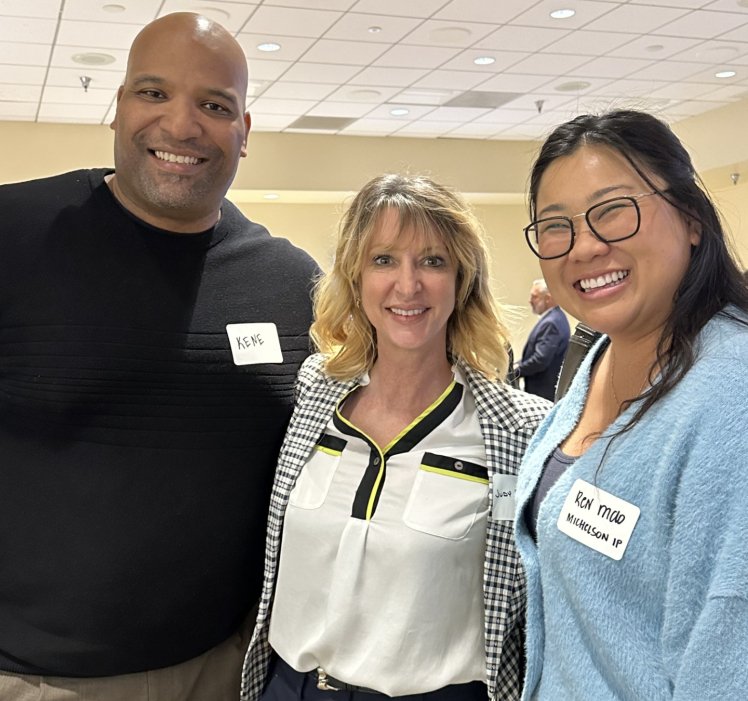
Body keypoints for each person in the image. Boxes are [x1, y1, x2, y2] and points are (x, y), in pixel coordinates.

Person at [0, 13, 319, 701]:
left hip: (223, 669)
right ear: (117, 108)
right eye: (153, 93)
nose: (181, 126)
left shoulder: (292, 284)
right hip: (33, 677)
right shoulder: (13, 235)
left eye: (214, 105)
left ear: (243, 131)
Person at [240, 174, 551, 701]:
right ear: (355, 277)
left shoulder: (517, 429)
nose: (407, 286)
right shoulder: (315, 394)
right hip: (291, 687)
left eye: (433, 261)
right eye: (383, 260)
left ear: (462, 279)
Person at [514, 109, 748, 700]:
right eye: (555, 226)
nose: (585, 246)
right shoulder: (600, 356)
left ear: (691, 218)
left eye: (613, 210)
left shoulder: (730, 397)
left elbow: (727, 652)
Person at [514, 279, 570, 400]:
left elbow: (540, 360)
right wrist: (517, 364)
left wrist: (515, 372)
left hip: (543, 393)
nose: (530, 301)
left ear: (548, 298)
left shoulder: (551, 323)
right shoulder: (555, 318)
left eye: (534, 297)